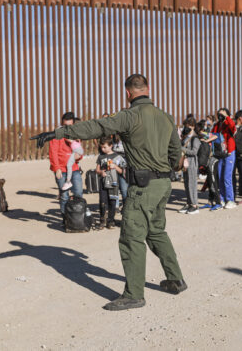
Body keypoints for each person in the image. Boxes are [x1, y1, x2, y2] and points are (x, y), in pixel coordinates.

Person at [31, 74, 187, 311]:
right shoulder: (166, 117)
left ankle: (134, 294)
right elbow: (176, 155)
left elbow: (96, 126)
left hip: (143, 187)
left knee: (131, 237)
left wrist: (60, 132)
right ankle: (175, 279)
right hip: (163, 185)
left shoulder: (129, 116)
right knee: (156, 231)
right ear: (148, 88)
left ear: (127, 93)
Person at [49, 112, 84, 216]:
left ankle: (78, 216)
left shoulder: (76, 135)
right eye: (64, 126)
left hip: (74, 169)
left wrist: (79, 156)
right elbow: (53, 152)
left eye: (69, 126)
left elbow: (79, 152)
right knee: (64, 196)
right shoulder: (56, 135)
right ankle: (66, 219)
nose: (67, 128)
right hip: (61, 171)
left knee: (78, 193)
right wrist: (57, 168)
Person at [95, 137, 126, 229]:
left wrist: (115, 166)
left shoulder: (118, 157)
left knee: (112, 201)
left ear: (111, 146)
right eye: (101, 147)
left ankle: (111, 221)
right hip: (103, 183)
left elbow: (122, 171)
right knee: (103, 201)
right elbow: (97, 169)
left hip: (114, 183)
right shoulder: (100, 157)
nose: (102, 149)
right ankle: (102, 220)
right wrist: (101, 172)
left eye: (104, 147)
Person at [213, 108, 237, 209]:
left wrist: (227, 118)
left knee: (227, 177)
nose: (220, 116)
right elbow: (213, 135)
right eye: (219, 114)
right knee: (220, 177)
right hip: (220, 153)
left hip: (229, 153)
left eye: (223, 114)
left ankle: (230, 200)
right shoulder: (217, 125)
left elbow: (233, 127)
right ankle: (222, 198)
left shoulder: (229, 124)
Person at [179, 117, 201, 214]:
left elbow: (194, 152)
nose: (187, 128)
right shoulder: (186, 136)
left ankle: (194, 205)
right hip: (185, 163)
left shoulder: (195, 138)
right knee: (186, 183)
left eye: (189, 126)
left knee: (192, 184)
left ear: (193, 126)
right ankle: (189, 203)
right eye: (186, 126)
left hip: (192, 163)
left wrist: (183, 149)